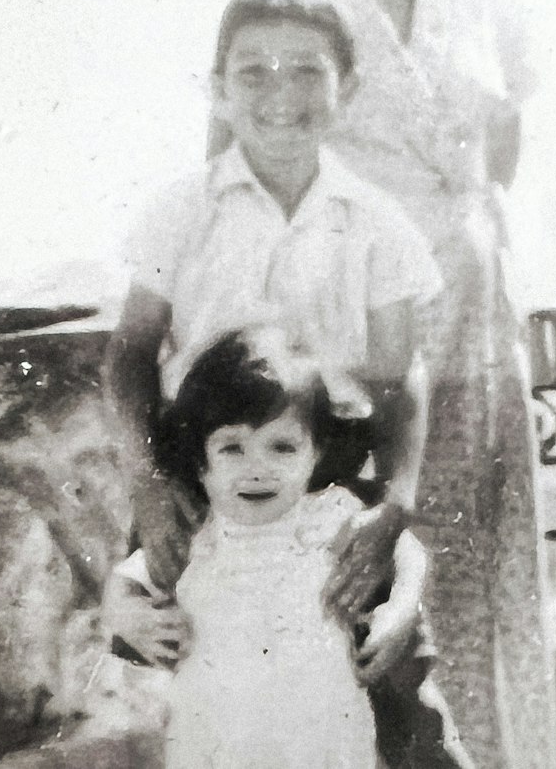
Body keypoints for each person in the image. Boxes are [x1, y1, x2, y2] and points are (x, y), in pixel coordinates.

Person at [228, 0, 556, 768]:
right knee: (376, 569)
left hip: (476, 319)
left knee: (493, 568)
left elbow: (503, 144)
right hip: (353, 327)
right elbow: (233, 171)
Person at [103, 0, 471, 768]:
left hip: (329, 481)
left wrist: (394, 508)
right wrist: (147, 485)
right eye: (253, 71)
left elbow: (400, 377)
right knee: (180, 691)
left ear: (348, 88)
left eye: (307, 70)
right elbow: (129, 354)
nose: (281, 92)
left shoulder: (376, 220)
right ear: (218, 89)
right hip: (209, 482)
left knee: (402, 701)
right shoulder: (181, 209)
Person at [109, 326, 427, 769]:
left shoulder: (328, 516)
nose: (257, 469)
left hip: (320, 740)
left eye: (282, 447)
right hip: (219, 743)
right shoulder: (194, 534)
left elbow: (406, 549)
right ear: (200, 463)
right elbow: (126, 580)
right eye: (232, 449)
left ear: (315, 452)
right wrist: (127, 614)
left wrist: (401, 605)